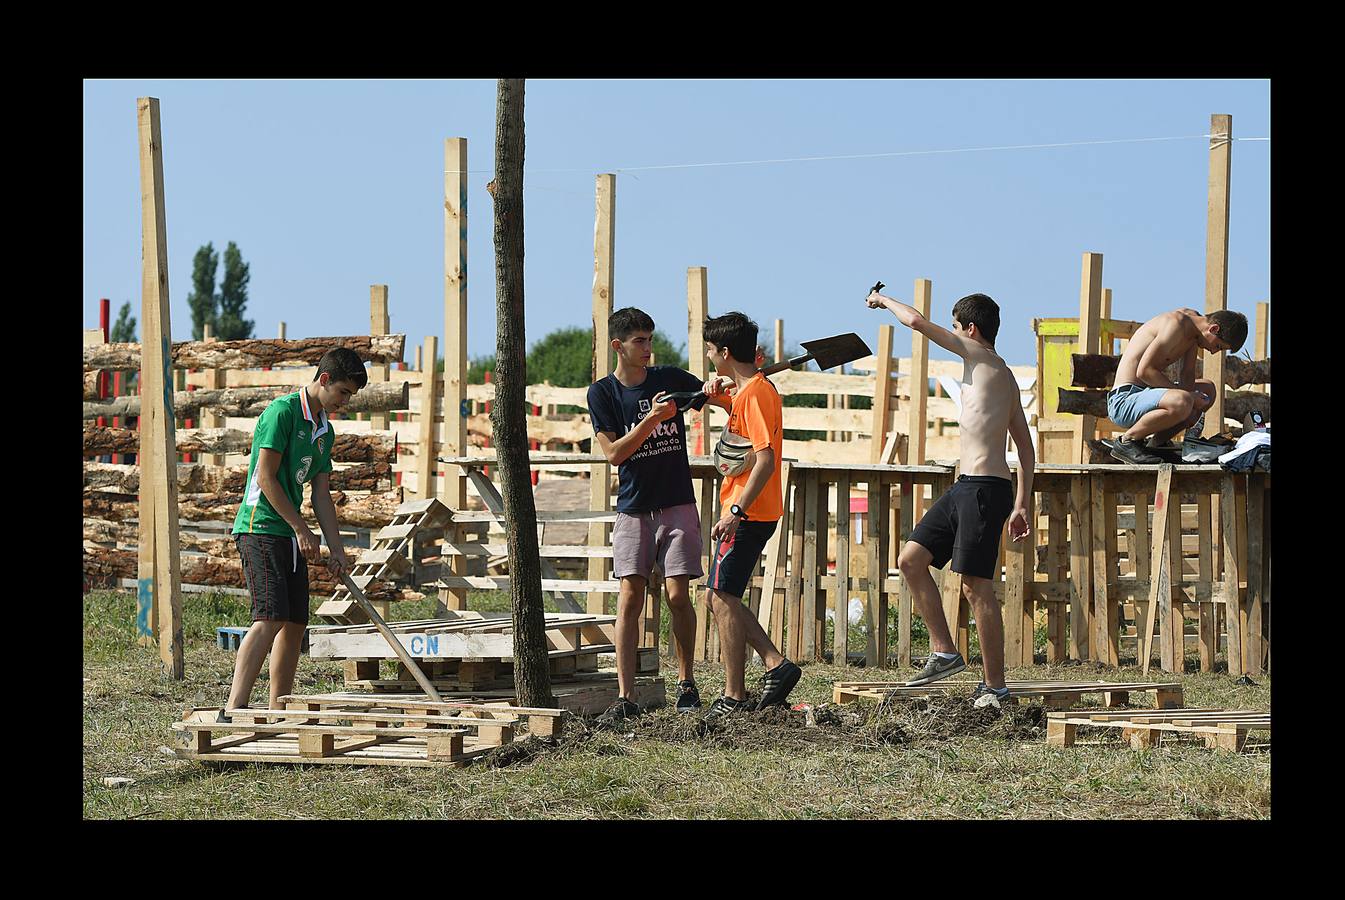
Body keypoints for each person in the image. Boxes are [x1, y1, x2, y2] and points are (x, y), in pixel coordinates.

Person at [866, 289, 1033, 708]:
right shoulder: (1000, 374)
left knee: (977, 587)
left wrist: (883, 302)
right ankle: (944, 651)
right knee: (911, 559)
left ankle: (995, 688)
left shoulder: (980, 357)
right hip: (965, 487)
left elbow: (917, 322)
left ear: (970, 330)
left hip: (985, 490)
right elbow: (1026, 452)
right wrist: (1023, 503)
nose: (954, 334)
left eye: (957, 327)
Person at [588, 308, 720, 725]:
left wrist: (720, 385)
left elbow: (710, 395)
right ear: (618, 346)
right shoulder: (603, 394)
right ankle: (626, 694)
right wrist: (650, 420)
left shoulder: (669, 379)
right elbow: (613, 454)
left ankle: (686, 683)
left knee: (679, 595)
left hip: (677, 501)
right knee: (630, 598)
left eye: (649, 339)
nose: (648, 348)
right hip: (633, 508)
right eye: (639, 341)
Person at [221, 348, 366, 720]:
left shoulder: (323, 429)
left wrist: (337, 549)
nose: (345, 402)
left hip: (289, 532)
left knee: (295, 622)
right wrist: (300, 528)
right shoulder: (282, 413)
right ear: (324, 380)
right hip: (261, 527)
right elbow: (264, 478)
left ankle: (278, 709)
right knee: (269, 616)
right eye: (344, 393)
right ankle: (234, 707)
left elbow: (320, 494)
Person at [699, 311, 802, 719]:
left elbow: (765, 460)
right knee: (718, 595)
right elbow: (737, 415)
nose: (708, 356)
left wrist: (737, 511)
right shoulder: (746, 393)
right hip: (746, 509)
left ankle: (734, 695)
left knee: (721, 596)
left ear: (724, 352)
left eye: (710, 350)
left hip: (749, 511)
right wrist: (716, 393)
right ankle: (776, 664)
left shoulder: (758, 394)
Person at [1105, 308, 1247, 464]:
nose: (1213, 352)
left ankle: (1156, 445)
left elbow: (1187, 374)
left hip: (1145, 396)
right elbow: (1144, 372)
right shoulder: (1176, 324)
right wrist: (1188, 399)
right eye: (1218, 346)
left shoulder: (1193, 329)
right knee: (1183, 400)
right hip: (1124, 401)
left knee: (1207, 390)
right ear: (1213, 329)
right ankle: (1126, 441)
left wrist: (1192, 414)